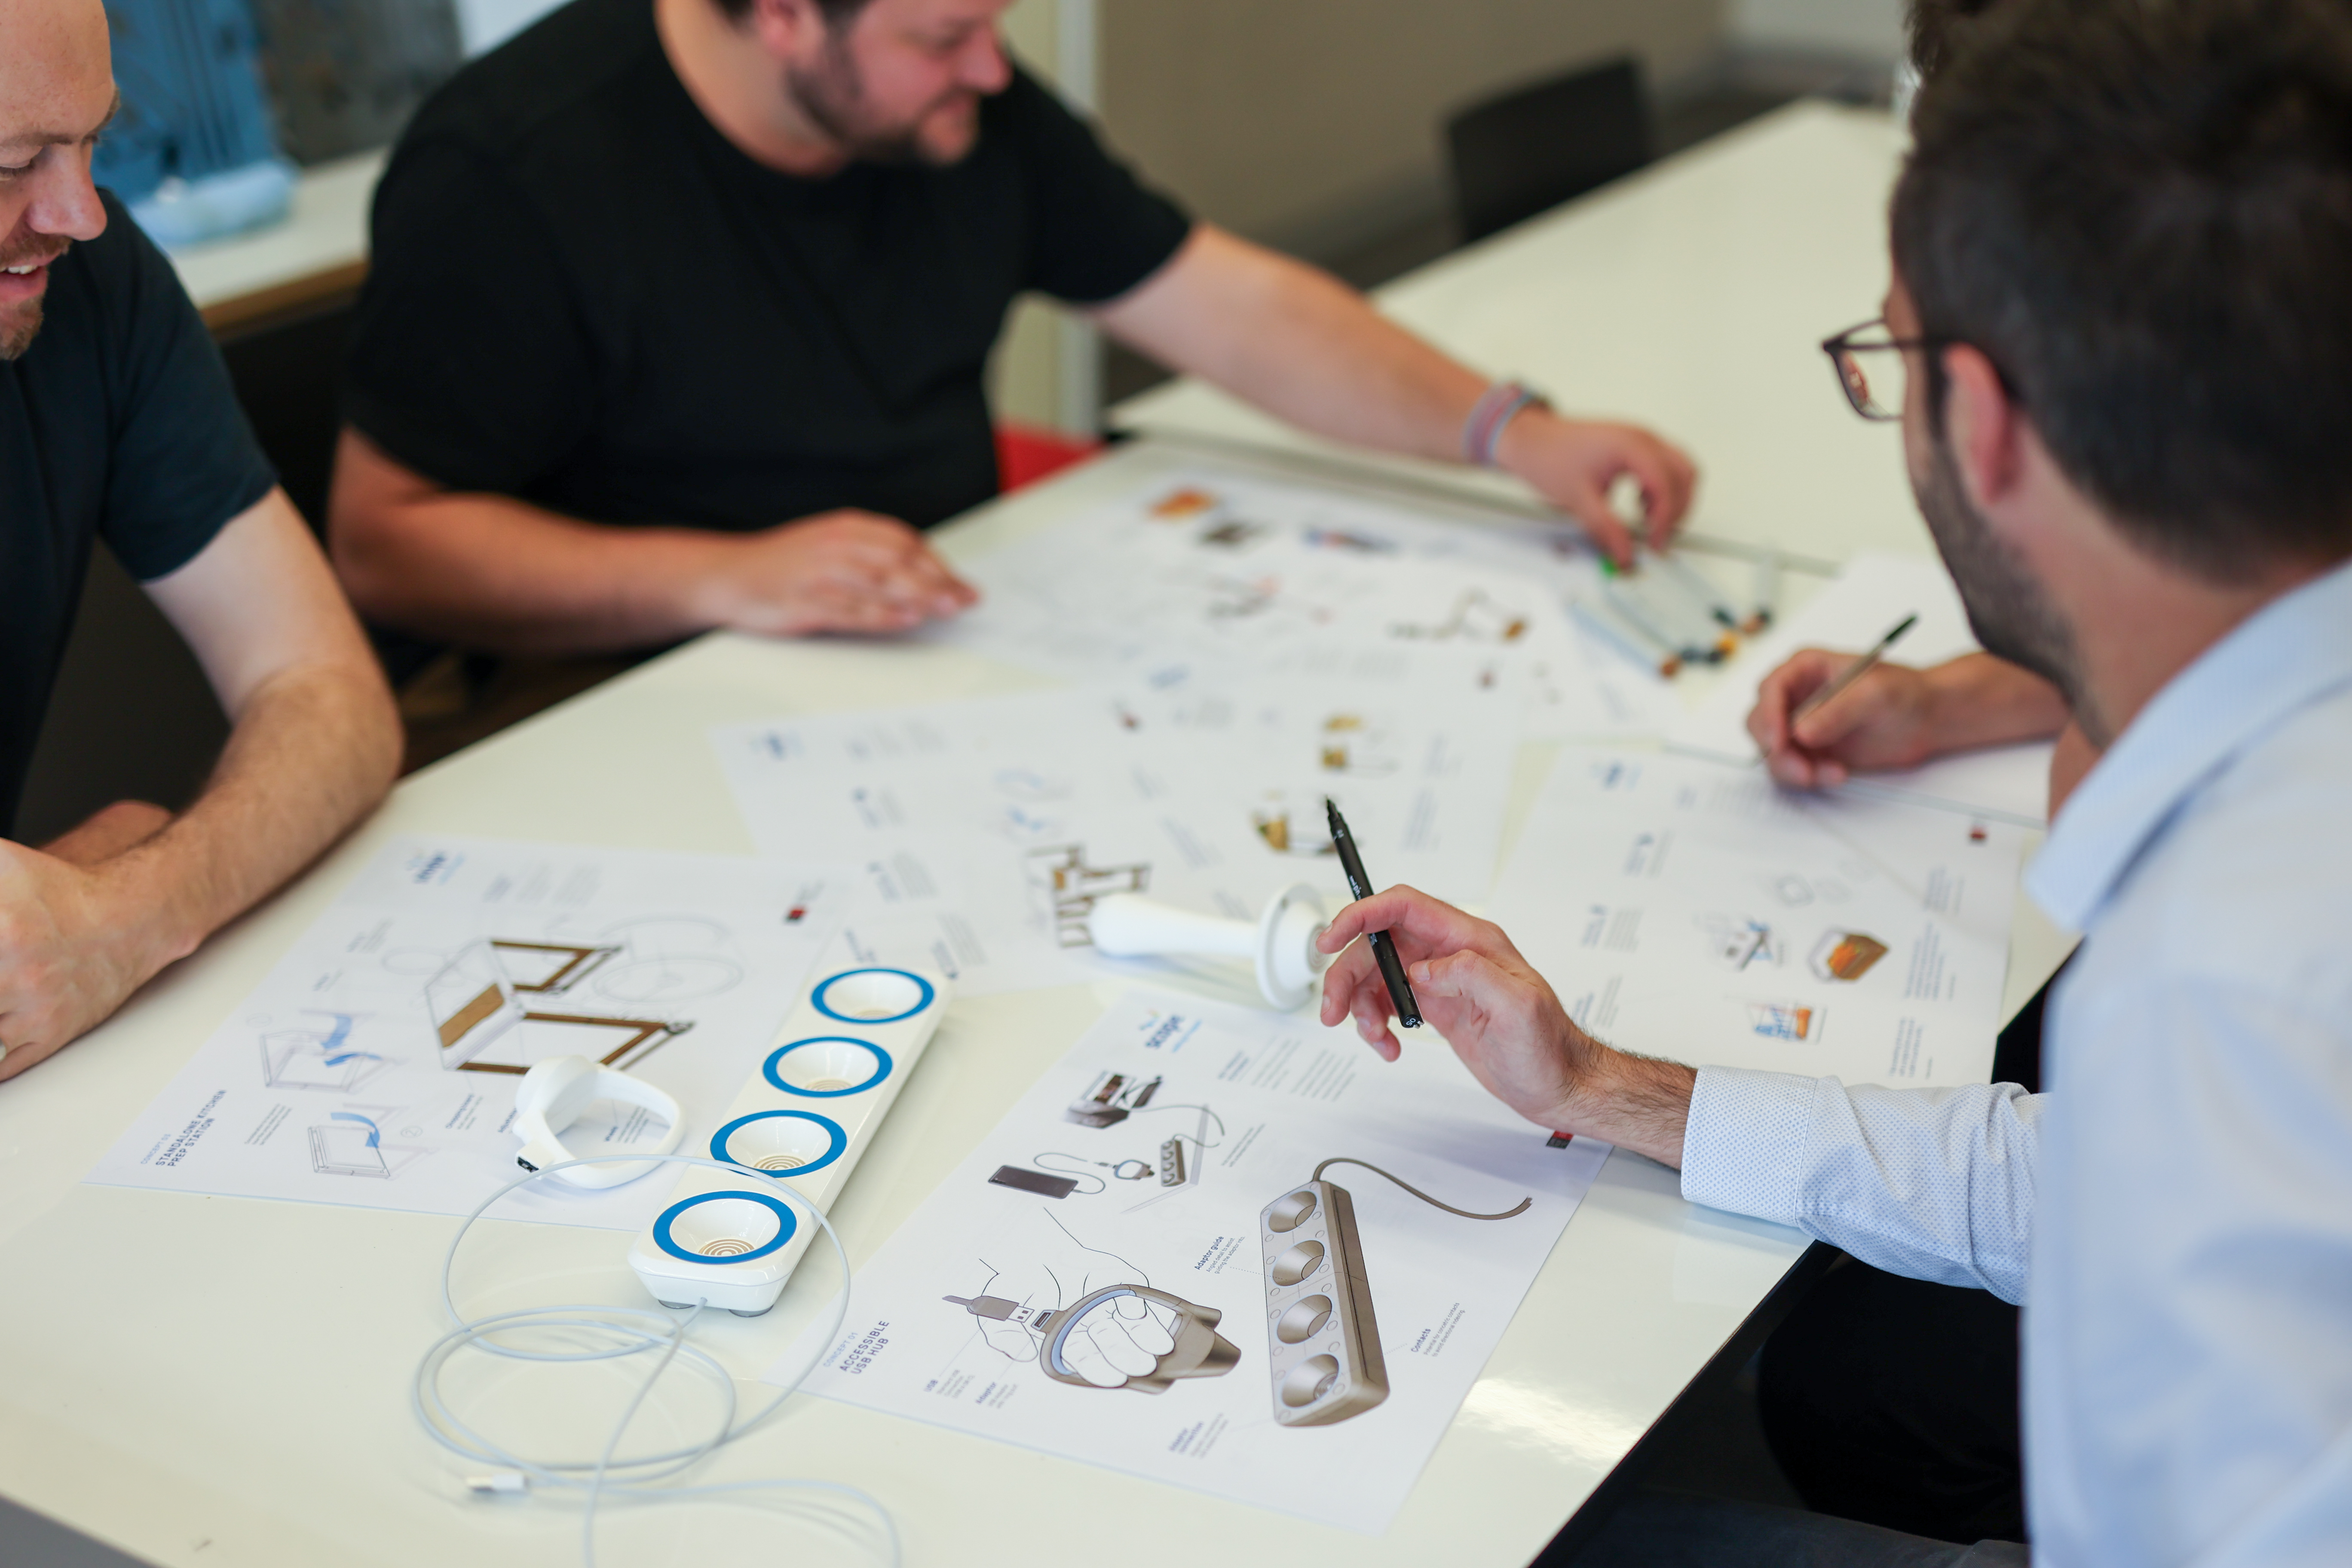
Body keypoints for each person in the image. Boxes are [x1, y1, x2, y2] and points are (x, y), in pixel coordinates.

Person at [1319, 0, 2352, 1562]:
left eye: (1895, 357)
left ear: (1985, 419)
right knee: (1847, 1387)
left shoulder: (2229, 972)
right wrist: (1598, 1081)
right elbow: (2088, 1178)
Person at [327, 0, 1697, 696]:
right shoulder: (510, 175)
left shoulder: (950, 108)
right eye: (944, 36)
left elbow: (1224, 303)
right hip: (653, 684)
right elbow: (386, 540)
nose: (991, 68)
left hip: (956, 635)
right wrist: (721, 578)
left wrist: (1513, 430)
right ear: (789, 15)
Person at [0, 0, 401, 1083]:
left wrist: (128, 910)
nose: (80, 213)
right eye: (11, 164)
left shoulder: (94, 287)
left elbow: (328, 690)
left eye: (91, 142)